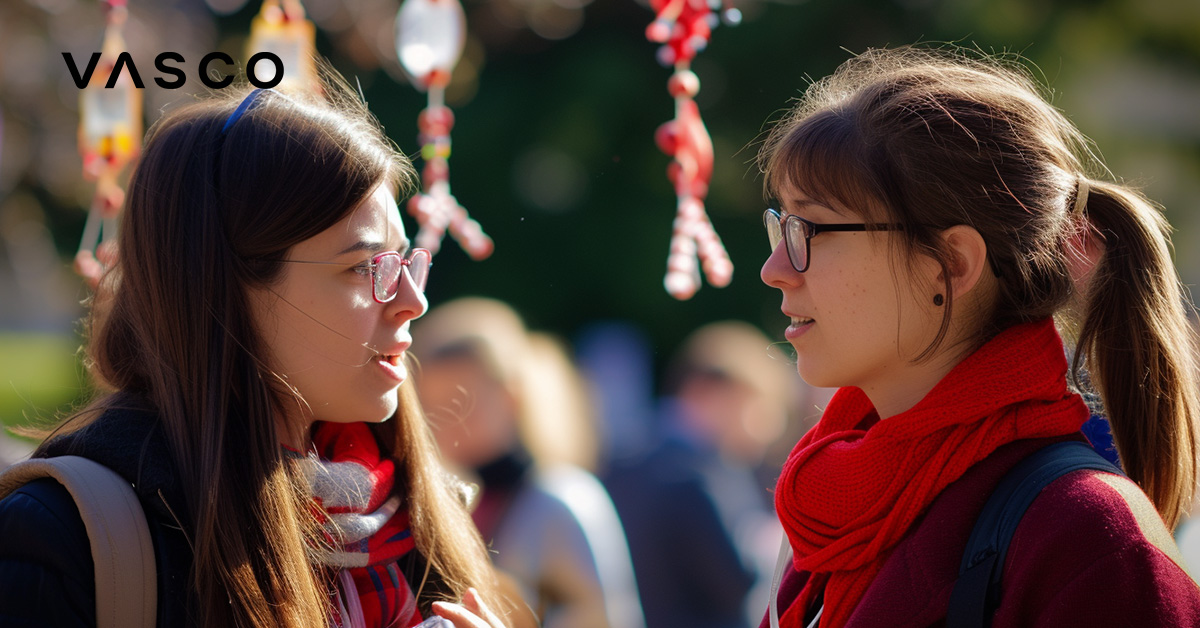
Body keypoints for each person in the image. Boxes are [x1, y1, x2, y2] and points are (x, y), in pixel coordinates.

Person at [0, 73, 513, 628]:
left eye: (404, 262)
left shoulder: (410, 520)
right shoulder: (62, 538)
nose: (412, 302)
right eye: (365, 267)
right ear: (221, 290)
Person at [755, 46, 1200, 627]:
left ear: (951, 263)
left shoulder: (1089, 540)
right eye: (780, 225)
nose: (775, 269)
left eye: (809, 228)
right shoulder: (834, 509)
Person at [414, 297, 645, 628]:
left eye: (463, 404)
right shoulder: (440, 503)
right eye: (432, 407)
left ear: (512, 396)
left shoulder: (563, 498)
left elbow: (609, 620)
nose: (447, 425)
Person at [604, 321, 800, 628]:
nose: (769, 427)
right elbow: (735, 583)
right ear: (710, 393)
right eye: (757, 404)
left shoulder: (624, 463)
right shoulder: (698, 473)